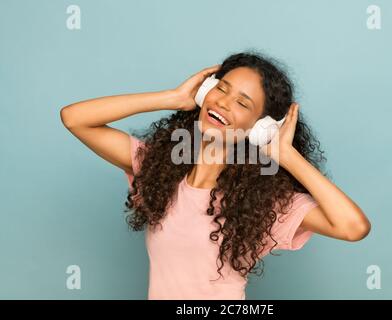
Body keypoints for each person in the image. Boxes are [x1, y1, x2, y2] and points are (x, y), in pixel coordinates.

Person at [60, 51, 371, 300]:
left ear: (261, 127)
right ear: (204, 92)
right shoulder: (158, 171)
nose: (223, 102)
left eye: (242, 103)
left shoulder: (262, 203)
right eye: (221, 88)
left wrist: (287, 157)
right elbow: (74, 118)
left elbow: (353, 227)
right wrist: (170, 97)